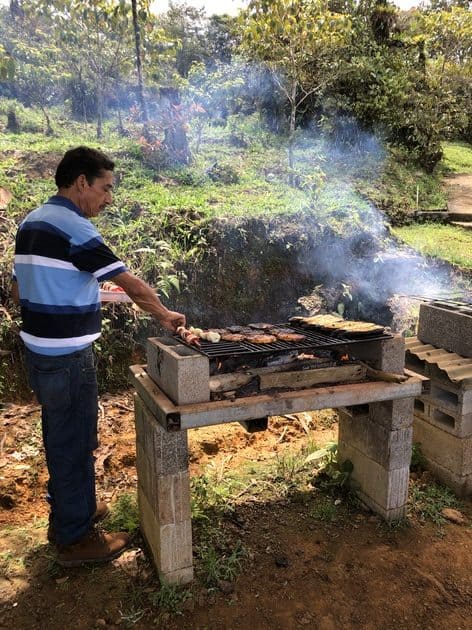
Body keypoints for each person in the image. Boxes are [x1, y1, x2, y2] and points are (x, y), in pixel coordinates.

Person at [11, 146, 186, 567]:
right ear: (81, 182)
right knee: (73, 443)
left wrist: (102, 297)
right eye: (106, 188)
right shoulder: (76, 230)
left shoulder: (32, 222)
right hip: (69, 358)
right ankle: (75, 540)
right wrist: (162, 314)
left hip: (40, 354)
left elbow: (30, 289)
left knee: (63, 436)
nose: (109, 199)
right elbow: (135, 285)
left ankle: (74, 511)